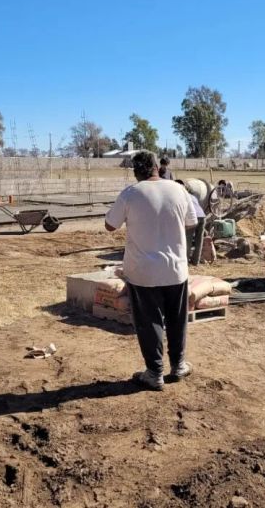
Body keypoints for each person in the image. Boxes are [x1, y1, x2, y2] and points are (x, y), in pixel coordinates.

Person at [105, 151, 197, 391]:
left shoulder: (131, 193)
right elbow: (192, 222)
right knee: (177, 319)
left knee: (149, 322)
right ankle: (178, 366)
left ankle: (154, 373)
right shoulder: (178, 190)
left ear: (136, 171)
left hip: (143, 272)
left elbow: (109, 225)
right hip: (176, 269)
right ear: (158, 167)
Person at [176, 180, 206, 265]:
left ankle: (186, 261)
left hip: (194, 217)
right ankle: (196, 261)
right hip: (202, 216)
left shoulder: (180, 196)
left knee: (188, 239)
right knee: (199, 240)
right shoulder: (193, 196)